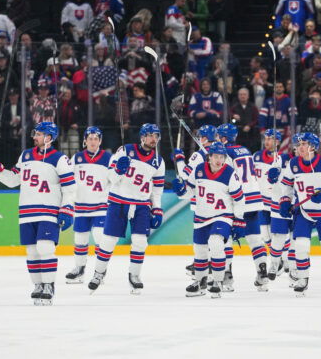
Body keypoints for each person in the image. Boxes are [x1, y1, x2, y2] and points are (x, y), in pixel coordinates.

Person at [0, 122, 76, 305]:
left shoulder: (60, 159)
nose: (35, 137)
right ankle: (38, 285)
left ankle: (49, 285)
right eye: (35, 133)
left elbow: (70, 188)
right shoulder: (25, 155)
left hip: (49, 210)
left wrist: (67, 209)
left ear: (49, 138)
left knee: (45, 247)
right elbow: (14, 180)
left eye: (39, 134)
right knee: (32, 251)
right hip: (27, 210)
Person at [88, 124, 165, 294]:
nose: (154, 139)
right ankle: (99, 273)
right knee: (108, 240)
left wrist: (157, 209)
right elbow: (110, 178)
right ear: (142, 137)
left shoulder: (159, 160)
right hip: (118, 201)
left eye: (156, 136)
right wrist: (119, 170)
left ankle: (134, 275)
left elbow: (157, 190)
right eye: (150, 135)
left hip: (142, 205)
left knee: (140, 241)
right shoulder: (125, 150)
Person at [279, 132, 321, 296]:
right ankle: (302, 279)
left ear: (313, 146)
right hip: (303, 212)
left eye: (303, 144)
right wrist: (284, 201)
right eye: (298, 144)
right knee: (301, 246)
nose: (299, 147)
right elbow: (287, 187)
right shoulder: (293, 163)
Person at [173, 142, 245, 297]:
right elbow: (189, 192)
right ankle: (200, 282)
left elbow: (239, 199)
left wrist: (239, 220)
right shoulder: (199, 170)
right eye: (216, 156)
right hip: (201, 217)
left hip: (222, 216)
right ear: (209, 157)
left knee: (216, 243)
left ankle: (218, 281)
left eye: (222, 157)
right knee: (199, 251)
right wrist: (180, 190)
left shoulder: (230, 173)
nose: (219, 160)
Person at [216, 123, 269, 291]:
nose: (217, 140)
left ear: (224, 138)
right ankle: (262, 274)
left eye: (218, 137)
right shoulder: (245, 150)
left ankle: (227, 277)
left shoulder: (225, 153)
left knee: (227, 238)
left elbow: (225, 176)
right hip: (254, 198)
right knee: (254, 238)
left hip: (239, 200)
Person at [65, 127, 112, 284]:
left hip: (101, 206)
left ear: (100, 141)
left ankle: (100, 272)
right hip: (81, 206)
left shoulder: (108, 158)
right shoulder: (76, 158)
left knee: (100, 237)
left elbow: (115, 179)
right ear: (85, 140)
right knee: (80, 239)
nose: (93, 141)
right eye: (90, 138)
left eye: (96, 138)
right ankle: (79, 269)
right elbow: (67, 178)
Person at [253, 129, 292, 277]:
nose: (267, 142)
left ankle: (285, 259)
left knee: (279, 234)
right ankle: (279, 259)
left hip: (276, 201)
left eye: (271, 139)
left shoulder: (283, 159)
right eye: (266, 138)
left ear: (278, 142)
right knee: (265, 235)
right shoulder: (256, 156)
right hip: (261, 201)